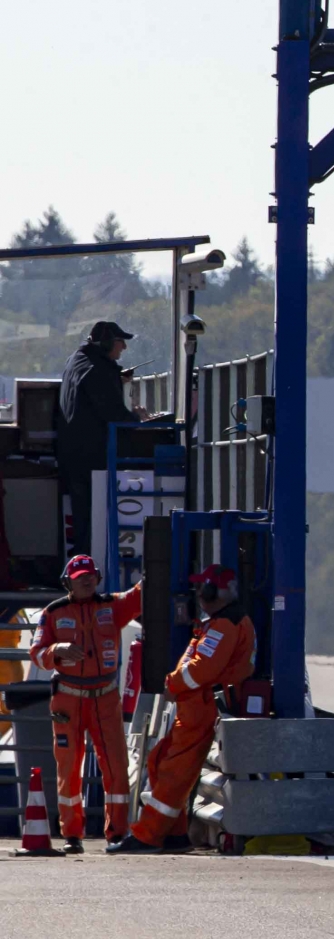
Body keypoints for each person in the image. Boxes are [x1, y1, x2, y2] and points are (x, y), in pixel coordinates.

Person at [109, 565, 254, 855]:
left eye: (202, 588)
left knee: (173, 771)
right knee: (161, 760)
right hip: (195, 706)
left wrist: (172, 684)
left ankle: (148, 836)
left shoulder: (226, 624)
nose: (198, 594)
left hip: (202, 707)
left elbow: (202, 669)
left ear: (214, 591)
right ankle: (174, 834)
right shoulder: (219, 622)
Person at [29, 555, 142, 852]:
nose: (87, 581)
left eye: (91, 575)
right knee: (68, 769)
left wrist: (159, 557)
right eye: (80, 578)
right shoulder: (53, 612)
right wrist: (57, 649)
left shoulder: (112, 605)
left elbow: (141, 594)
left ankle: (117, 833)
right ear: (68, 582)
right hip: (67, 699)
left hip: (105, 697)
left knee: (116, 765)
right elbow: (36, 653)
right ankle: (72, 835)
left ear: (98, 578)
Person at [54, 320, 149, 557]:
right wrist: (137, 417)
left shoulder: (76, 360)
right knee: (96, 519)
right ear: (107, 343)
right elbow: (114, 414)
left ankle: (81, 566)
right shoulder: (98, 370)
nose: (124, 347)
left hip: (72, 455)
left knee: (82, 518)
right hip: (93, 458)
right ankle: (93, 568)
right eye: (120, 342)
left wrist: (115, 378)